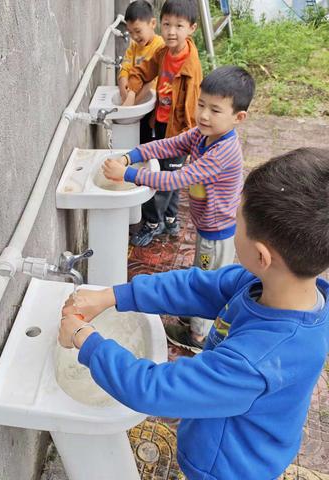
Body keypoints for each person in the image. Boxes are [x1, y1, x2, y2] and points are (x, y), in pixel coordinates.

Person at [58, 147, 329, 480]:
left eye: (236, 222)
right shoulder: (272, 285)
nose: (232, 223)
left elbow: (155, 390)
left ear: (261, 255)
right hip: (233, 439)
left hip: (227, 468)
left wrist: (83, 339)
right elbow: (199, 287)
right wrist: (113, 295)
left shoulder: (256, 362)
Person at [104, 65, 255, 352]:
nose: (204, 115)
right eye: (201, 105)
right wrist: (131, 155)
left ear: (239, 117)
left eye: (215, 109)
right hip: (207, 227)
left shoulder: (224, 151)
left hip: (217, 233)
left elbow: (177, 178)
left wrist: (129, 174)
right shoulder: (202, 134)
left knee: (208, 282)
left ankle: (198, 337)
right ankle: (194, 314)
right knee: (201, 274)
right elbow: (169, 145)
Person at [124, 0, 202, 247]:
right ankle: (170, 218)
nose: (170, 31)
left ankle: (152, 224)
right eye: (167, 24)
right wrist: (130, 90)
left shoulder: (191, 68)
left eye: (178, 26)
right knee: (170, 174)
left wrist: (190, 142)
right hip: (160, 124)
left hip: (179, 133)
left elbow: (193, 110)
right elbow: (142, 71)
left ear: (192, 28)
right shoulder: (163, 53)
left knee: (160, 178)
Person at [117, 0, 165, 110]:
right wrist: (124, 94)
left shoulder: (160, 47)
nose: (134, 36)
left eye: (138, 31)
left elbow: (151, 80)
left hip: (152, 103)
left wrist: (133, 103)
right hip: (133, 97)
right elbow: (124, 70)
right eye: (130, 32)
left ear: (153, 23)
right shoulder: (133, 47)